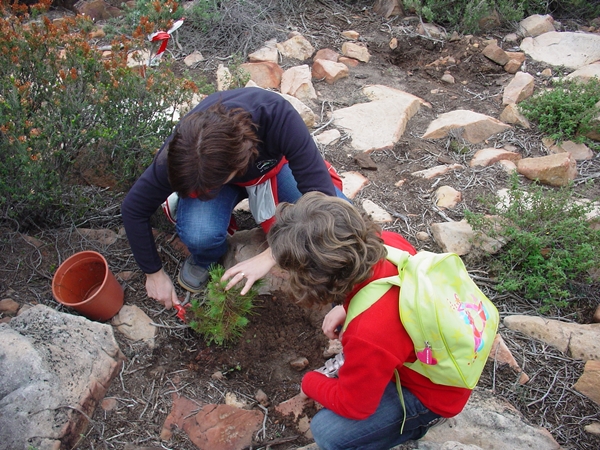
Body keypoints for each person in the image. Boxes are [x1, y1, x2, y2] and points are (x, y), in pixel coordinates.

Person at [266, 192, 473, 450]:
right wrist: (345, 306)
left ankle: (419, 424)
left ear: (317, 277)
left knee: (327, 433)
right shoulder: (387, 243)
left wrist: (309, 383)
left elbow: (355, 406)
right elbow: (390, 290)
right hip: (440, 346)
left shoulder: (368, 333)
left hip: (434, 395)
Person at [121, 87, 346, 310]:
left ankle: (343, 295)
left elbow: (324, 201)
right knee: (200, 234)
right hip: (217, 178)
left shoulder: (277, 115)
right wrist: (154, 273)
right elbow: (133, 208)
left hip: (273, 169)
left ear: (236, 165)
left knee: (341, 219)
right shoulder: (183, 154)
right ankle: (207, 258)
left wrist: (272, 253)